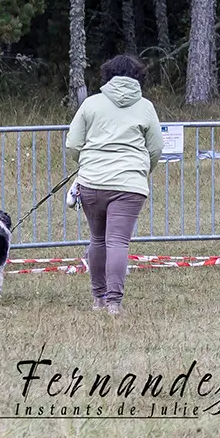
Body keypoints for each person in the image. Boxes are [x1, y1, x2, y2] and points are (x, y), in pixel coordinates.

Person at [64, 54, 163, 315]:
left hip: (93, 181)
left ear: (107, 76)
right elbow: (156, 148)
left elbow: (73, 143)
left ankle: (98, 298)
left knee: (97, 240)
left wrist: (84, 161)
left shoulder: (91, 104)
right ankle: (114, 303)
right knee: (118, 242)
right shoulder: (146, 107)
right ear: (138, 77)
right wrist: (143, 170)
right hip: (130, 184)